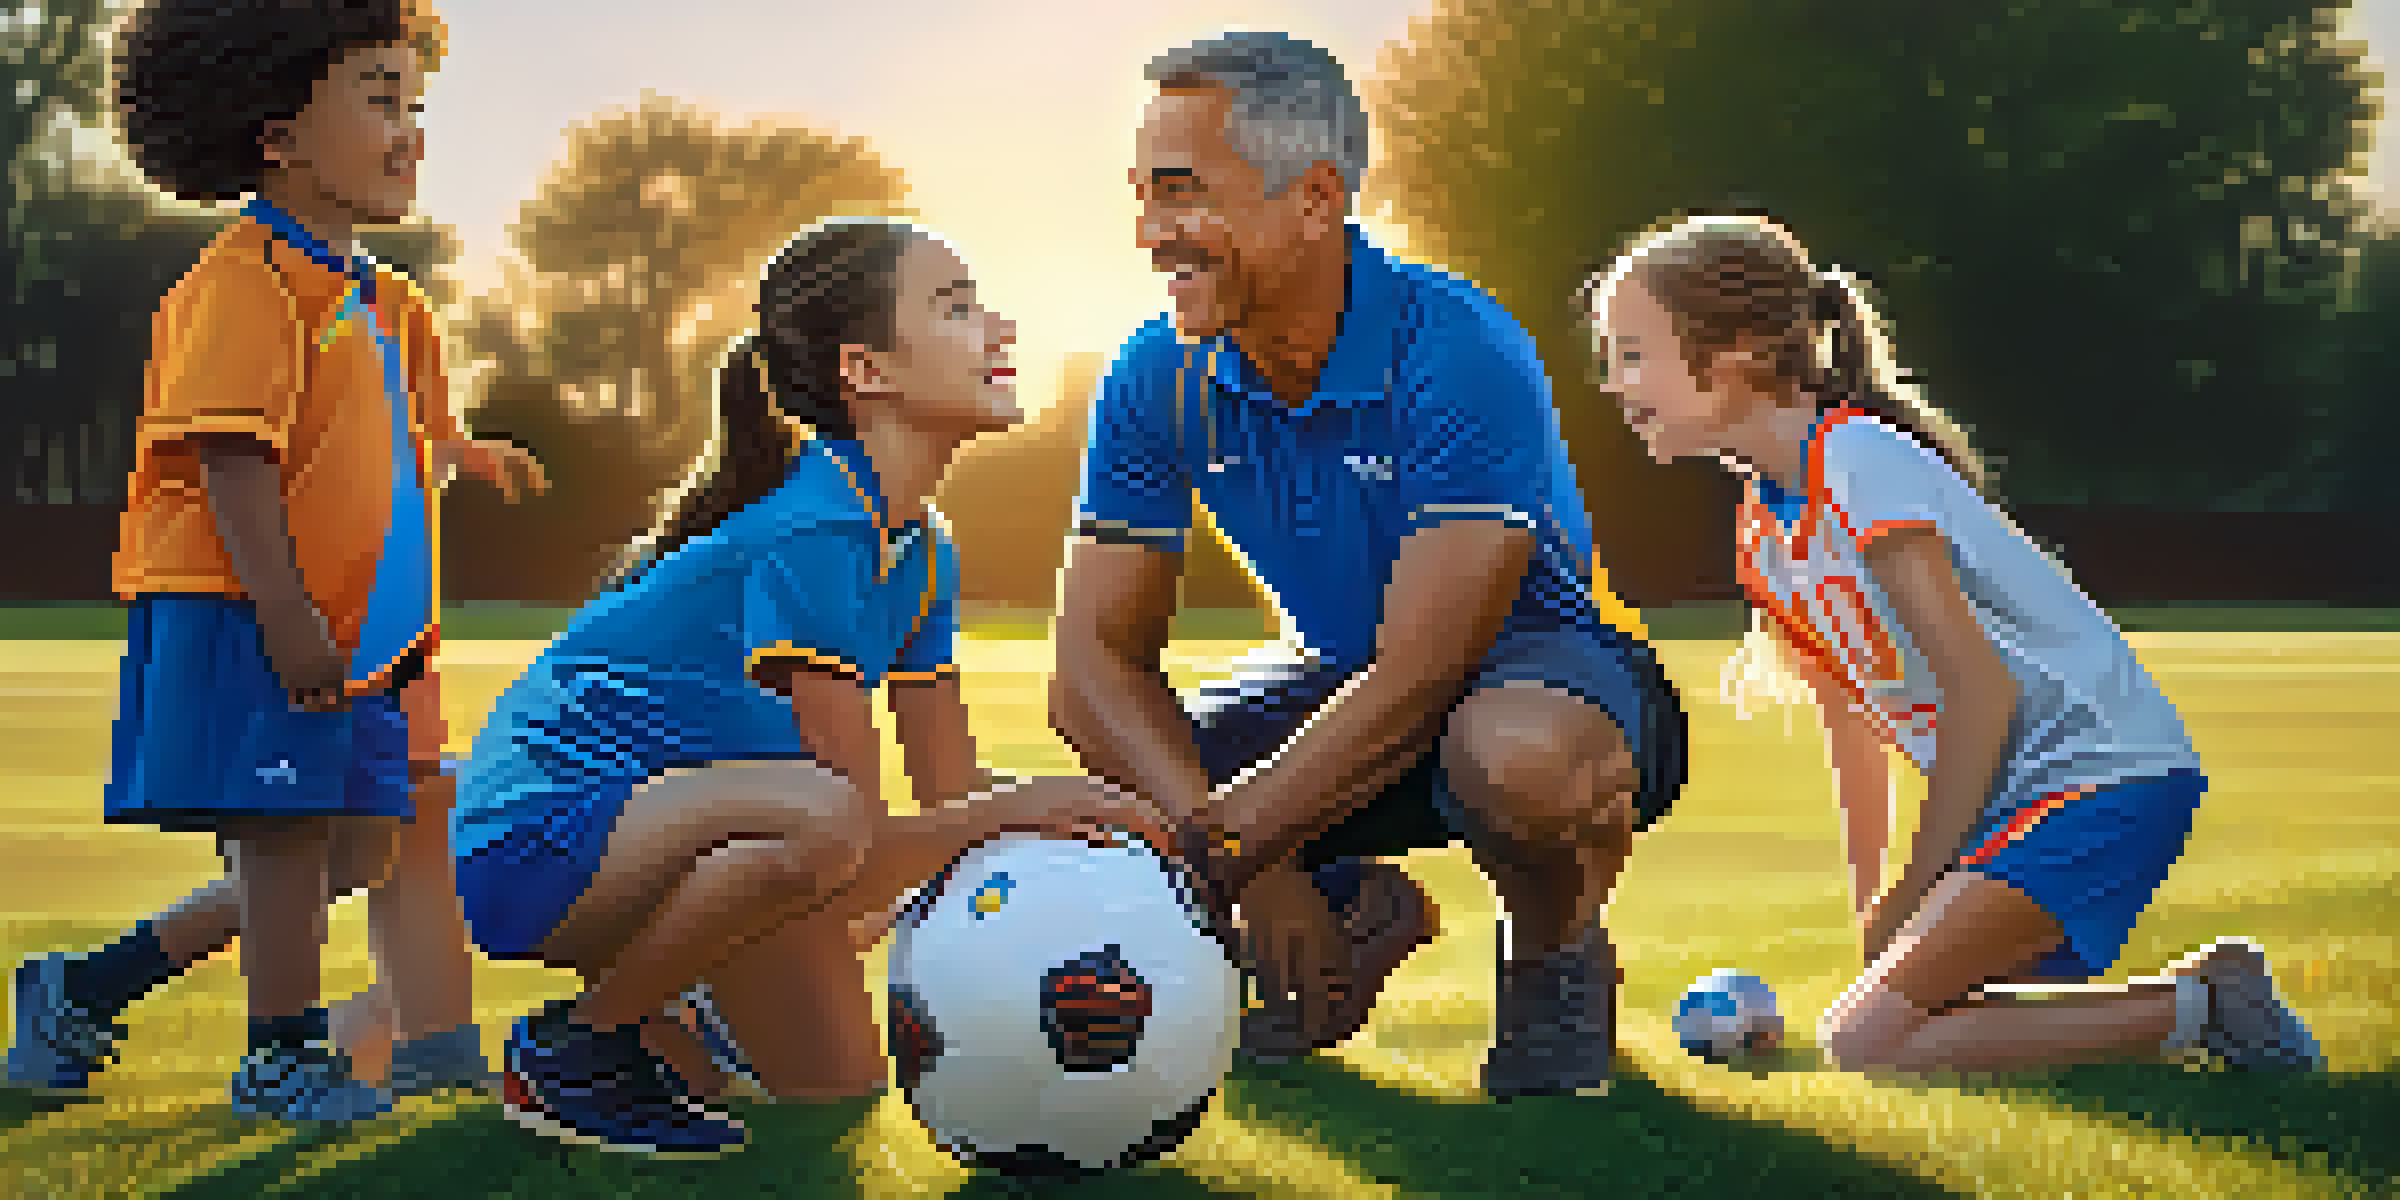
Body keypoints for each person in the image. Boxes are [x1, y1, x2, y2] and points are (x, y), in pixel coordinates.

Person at [1051, 31, 1687, 1101]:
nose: (1152, 235)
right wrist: (1267, 877)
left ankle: (1553, 955)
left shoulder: (1458, 347)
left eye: (1183, 195)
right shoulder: (1153, 374)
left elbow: (1429, 667)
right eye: (1143, 197)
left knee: (1515, 757)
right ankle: (1354, 907)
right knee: (1117, 785)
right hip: (1341, 680)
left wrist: (1229, 855)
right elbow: (1091, 669)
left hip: (1550, 675)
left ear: (1314, 197)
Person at [451, 219, 1163, 1159]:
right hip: (538, 841)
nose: (1001, 328)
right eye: (956, 307)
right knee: (828, 823)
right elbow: (855, 836)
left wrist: (1081, 824)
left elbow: (950, 795)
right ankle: (577, 1046)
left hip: (680, 835)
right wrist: (1025, 809)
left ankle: (683, 1003)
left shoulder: (920, 546)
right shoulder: (815, 535)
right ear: (866, 371)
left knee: (836, 1079)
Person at [1582, 212, 2323, 1075]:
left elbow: (1981, 692)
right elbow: (1850, 731)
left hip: (2102, 779)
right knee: (1897, 1019)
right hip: (2021, 800)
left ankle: (2205, 1008)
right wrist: (1877, 912)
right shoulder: (1761, 533)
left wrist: (1921, 880)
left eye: (1633, 354)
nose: (1613, 384)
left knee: (1863, 1043)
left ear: (1740, 351)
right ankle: (2196, 998)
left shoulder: (1856, 461)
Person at [5, 0, 543, 1121]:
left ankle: (83, 988)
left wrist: (467, 455)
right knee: (287, 837)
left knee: (358, 852)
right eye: (382, 101)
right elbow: (232, 459)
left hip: (359, 629)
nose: (411, 134)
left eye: (418, 106)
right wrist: (286, 614)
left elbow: (407, 433)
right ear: (278, 134)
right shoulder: (245, 281)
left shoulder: (390, 300)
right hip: (250, 605)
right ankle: (280, 1057)